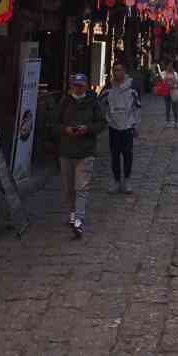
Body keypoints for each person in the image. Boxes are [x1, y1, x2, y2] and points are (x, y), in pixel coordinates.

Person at [53, 73, 107, 237]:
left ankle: (79, 219)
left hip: (86, 151)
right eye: (75, 85)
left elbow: (101, 123)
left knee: (81, 187)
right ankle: (72, 214)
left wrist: (87, 129)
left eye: (81, 85)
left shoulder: (93, 103)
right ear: (71, 86)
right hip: (67, 151)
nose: (78, 88)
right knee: (69, 187)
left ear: (86, 86)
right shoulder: (64, 102)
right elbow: (53, 124)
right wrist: (65, 129)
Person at [101, 62, 142, 194]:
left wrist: (136, 125)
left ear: (124, 71)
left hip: (128, 126)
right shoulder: (108, 87)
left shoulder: (133, 88)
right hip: (113, 127)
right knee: (114, 155)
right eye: (114, 70)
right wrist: (106, 118)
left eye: (119, 70)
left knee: (127, 154)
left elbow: (138, 108)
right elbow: (100, 104)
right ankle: (116, 181)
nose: (116, 73)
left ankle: (127, 180)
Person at [161, 62, 178, 128]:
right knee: (167, 108)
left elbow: (177, 82)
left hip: (173, 92)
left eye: (171, 65)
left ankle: (176, 122)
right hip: (166, 92)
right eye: (168, 65)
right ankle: (168, 122)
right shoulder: (163, 73)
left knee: (174, 109)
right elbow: (162, 82)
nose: (169, 67)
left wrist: (175, 85)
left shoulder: (175, 73)